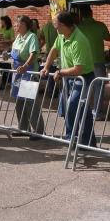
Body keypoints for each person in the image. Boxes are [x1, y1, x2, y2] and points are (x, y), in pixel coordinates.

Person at [40, 11, 96, 147]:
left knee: (73, 105)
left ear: (64, 25)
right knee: (73, 108)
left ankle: (74, 138)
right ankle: (84, 141)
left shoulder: (79, 41)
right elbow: (54, 50)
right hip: (69, 77)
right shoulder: (61, 35)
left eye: (56, 24)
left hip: (83, 78)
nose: (54, 27)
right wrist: (46, 67)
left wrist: (60, 72)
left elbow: (78, 69)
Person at [11, 16, 45, 137]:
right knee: (19, 102)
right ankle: (23, 128)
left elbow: (33, 53)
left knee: (30, 103)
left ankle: (38, 131)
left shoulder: (32, 36)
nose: (16, 26)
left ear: (25, 25)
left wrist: (25, 65)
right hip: (18, 74)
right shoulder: (18, 37)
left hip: (28, 73)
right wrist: (7, 54)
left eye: (18, 24)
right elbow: (15, 53)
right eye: (15, 24)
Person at [77, 5, 110, 119]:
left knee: (84, 86)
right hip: (98, 60)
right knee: (99, 86)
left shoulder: (78, 28)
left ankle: (82, 111)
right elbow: (108, 38)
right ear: (91, 13)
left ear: (81, 15)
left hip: (83, 61)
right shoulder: (100, 25)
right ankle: (97, 112)